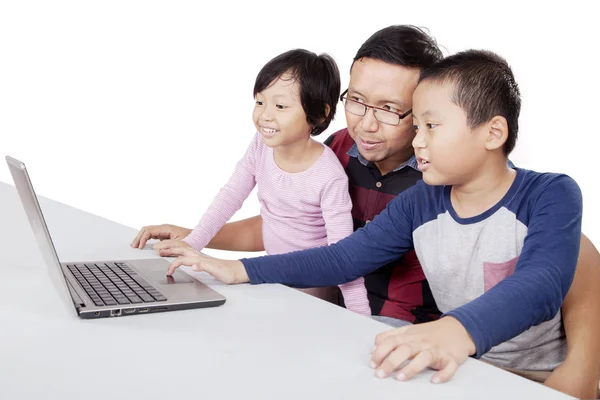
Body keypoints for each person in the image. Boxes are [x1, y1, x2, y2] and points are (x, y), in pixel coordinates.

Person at [131, 27, 600, 399]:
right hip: (389, 343)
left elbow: (557, 269)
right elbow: (337, 253)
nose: (366, 124)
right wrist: (225, 263)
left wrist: (578, 363)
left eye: (404, 114)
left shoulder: (539, 192)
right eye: (355, 101)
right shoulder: (354, 161)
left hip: (451, 348)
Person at [144, 48, 370, 315]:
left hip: (312, 297)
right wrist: (193, 242)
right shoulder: (262, 147)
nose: (265, 115)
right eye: (260, 102)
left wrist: (362, 321)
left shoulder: (328, 175)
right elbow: (231, 195)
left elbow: (343, 258)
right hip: (270, 280)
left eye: (281, 106)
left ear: (319, 114)